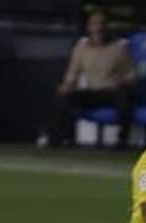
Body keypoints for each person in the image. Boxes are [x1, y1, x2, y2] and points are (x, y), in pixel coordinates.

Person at [41, 10, 137, 149]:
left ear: (107, 26)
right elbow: (72, 73)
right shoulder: (81, 48)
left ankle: (122, 141)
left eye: (102, 24)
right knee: (63, 95)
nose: (99, 27)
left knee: (123, 96)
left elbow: (133, 74)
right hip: (93, 92)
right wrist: (68, 85)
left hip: (111, 91)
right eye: (95, 24)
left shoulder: (119, 47)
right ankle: (59, 138)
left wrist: (123, 80)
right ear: (88, 27)